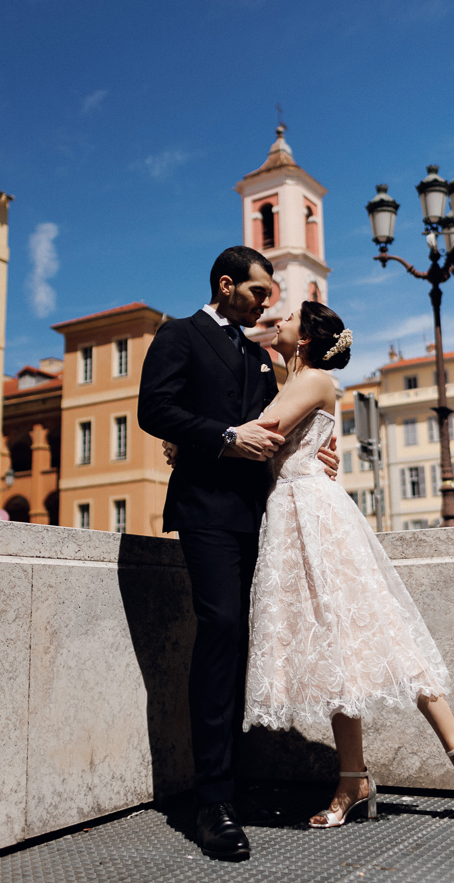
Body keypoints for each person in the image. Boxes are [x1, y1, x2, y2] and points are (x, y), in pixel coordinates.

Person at [242, 301, 454, 829]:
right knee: (337, 649)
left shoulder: (313, 381)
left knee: (379, 631)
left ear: (308, 338)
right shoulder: (289, 377)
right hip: (291, 514)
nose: (279, 320)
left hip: (315, 513)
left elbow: (261, 433)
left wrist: (188, 438)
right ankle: (352, 777)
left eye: (288, 317)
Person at [137, 246, 338, 862]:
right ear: (226, 285)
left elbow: (279, 428)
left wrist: (318, 453)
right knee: (221, 628)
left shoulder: (259, 354)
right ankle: (213, 802)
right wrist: (223, 437)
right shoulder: (179, 335)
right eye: (257, 293)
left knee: (251, 641)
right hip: (207, 513)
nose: (266, 304)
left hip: (264, 513)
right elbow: (155, 411)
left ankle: (237, 783)